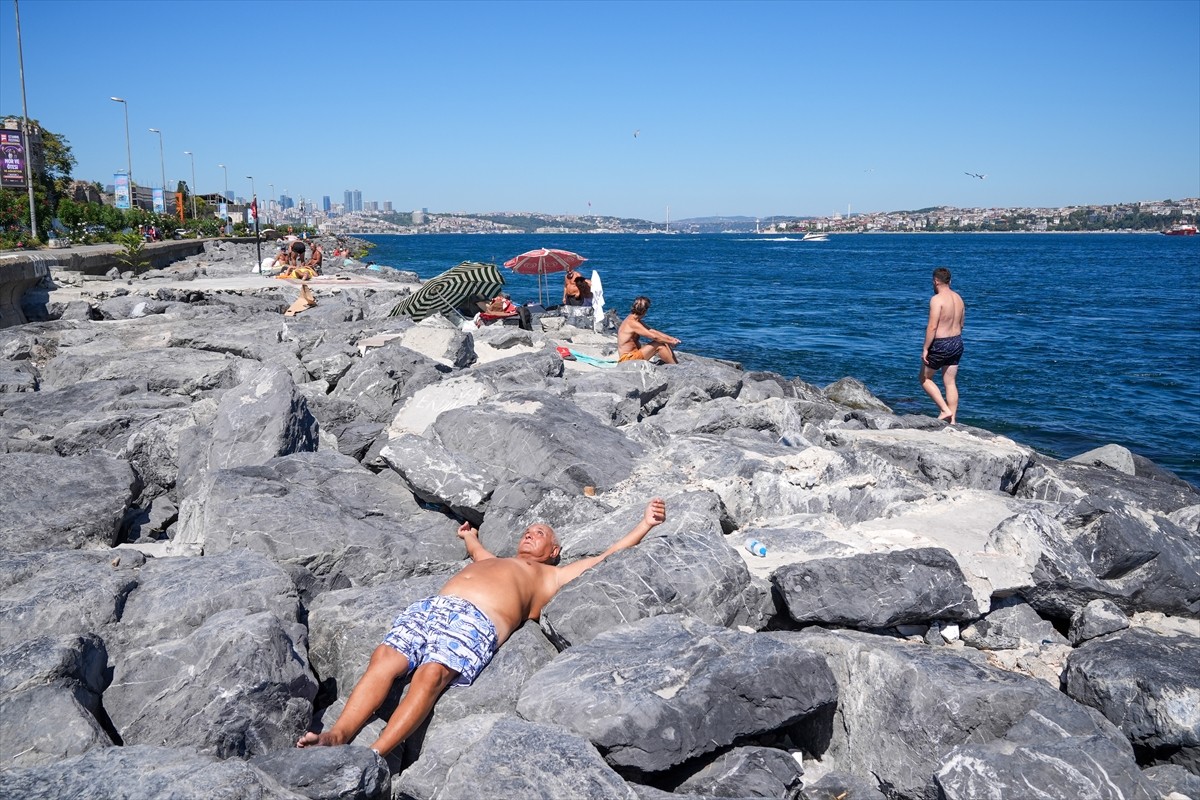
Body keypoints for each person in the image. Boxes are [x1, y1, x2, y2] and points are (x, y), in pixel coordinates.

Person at [296, 498, 669, 757]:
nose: (529, 534)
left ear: (554, 551)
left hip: (477, 622)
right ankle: (337, 735)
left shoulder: (550, 577)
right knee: (384, 658)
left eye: (540, 533)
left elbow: (606, 557)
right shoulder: (498, 558)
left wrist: (645, 524)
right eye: (528, 530)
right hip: (433, 608)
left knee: (431, 676)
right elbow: (478, 554)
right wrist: (470, 538)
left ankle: (377, 753)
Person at [920, 267, 966, 424]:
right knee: (950, 382)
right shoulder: (958, 298)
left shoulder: (937, 299)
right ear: (950, 281)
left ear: (935, 281)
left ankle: (944, 409)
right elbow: (962, 324)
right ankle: (952, 420)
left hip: (941, 343)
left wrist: (926, 348)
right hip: (957, 342)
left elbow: (932, 327)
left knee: (925, 378)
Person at [618, 296, 680, 364]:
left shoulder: (633, 319)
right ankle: (675, 365)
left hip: (634, 355)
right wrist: (671, 342)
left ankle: (675, 364)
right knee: (659, 343)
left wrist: (671, 339)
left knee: (663, 340)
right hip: (627, 359)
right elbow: (654, 337)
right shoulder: (632, 323)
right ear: (645, 311)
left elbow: (651, 330)